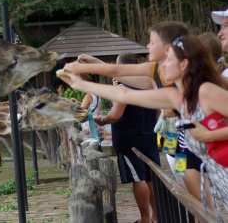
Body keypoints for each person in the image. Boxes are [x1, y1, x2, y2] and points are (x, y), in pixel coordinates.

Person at [58, 35, 228, 221]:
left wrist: (208, 134)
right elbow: (124, 92)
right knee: (199, 208)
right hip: (182, 153)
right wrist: (81, 82)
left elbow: (128, 82)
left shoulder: (207, 90)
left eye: (167, 60)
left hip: (216, 161)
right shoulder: (175, 93)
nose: (160, 65)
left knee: (207, 209)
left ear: (185, 64)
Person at [95, 52, 160, 223]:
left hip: (129, 140)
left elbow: (115, 115)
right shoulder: (149, 85)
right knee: (150, 178)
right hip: (149, 136)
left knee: (138, 179)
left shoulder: (124, 88)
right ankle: (156, 216)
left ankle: (145, 218)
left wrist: (102, 120)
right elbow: (158, 111)